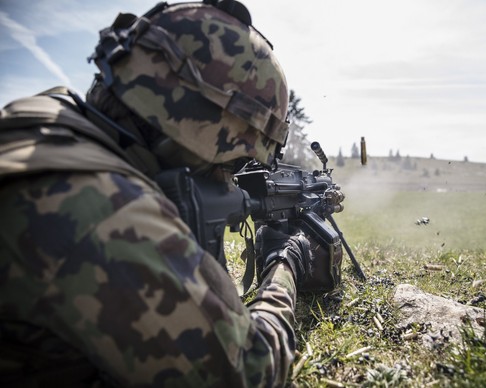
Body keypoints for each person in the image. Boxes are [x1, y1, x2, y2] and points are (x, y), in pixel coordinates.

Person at [0, 1, 313, 386]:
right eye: (232, 165)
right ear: (199, 128)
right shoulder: (107, 214)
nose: (231, 181)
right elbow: (251, 371)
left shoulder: (41, 117)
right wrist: (285, 264)